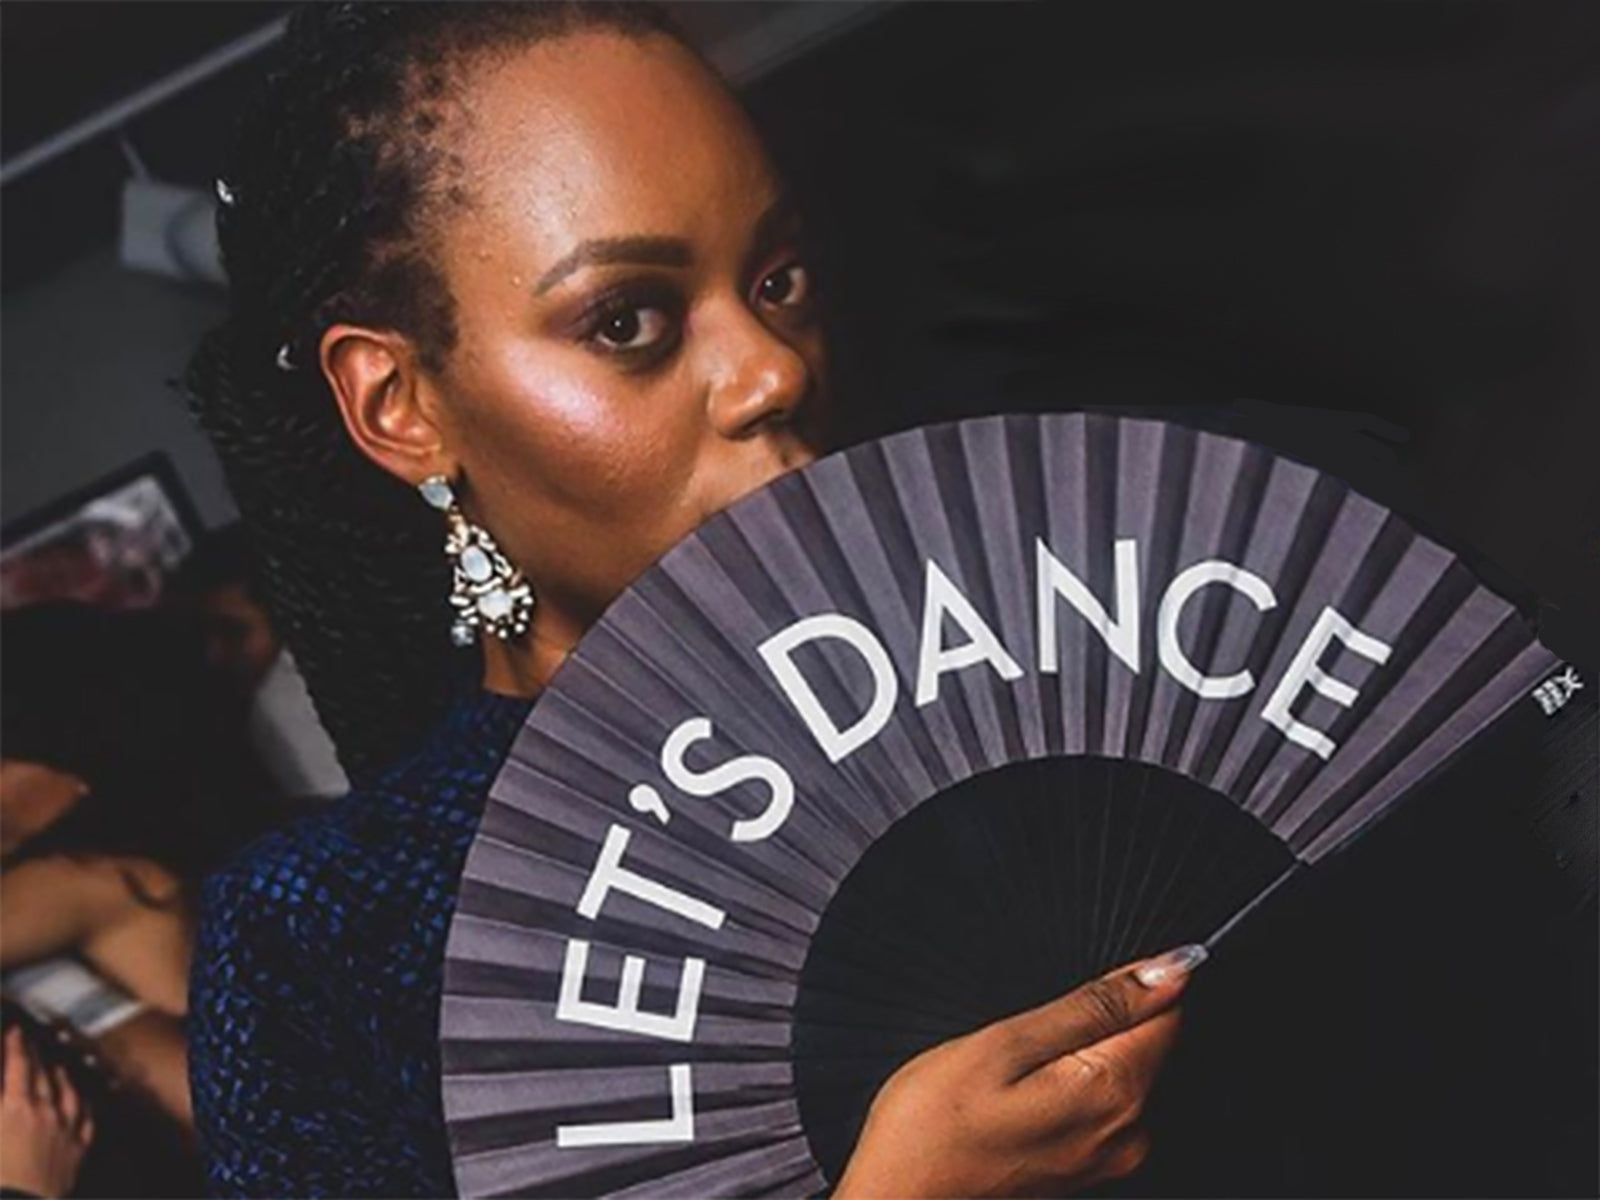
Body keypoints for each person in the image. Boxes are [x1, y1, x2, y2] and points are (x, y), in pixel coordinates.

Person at [182, 4, 1201, 1196]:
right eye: (628, 322)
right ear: (403, 406)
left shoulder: (1044, 672)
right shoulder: (321, 943)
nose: (774, 368)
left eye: (777, 278)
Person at [166, 523, 348, 800]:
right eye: (201, 635)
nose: (213, 655)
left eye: (232, 632)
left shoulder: (280, 705)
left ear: (287, 619)